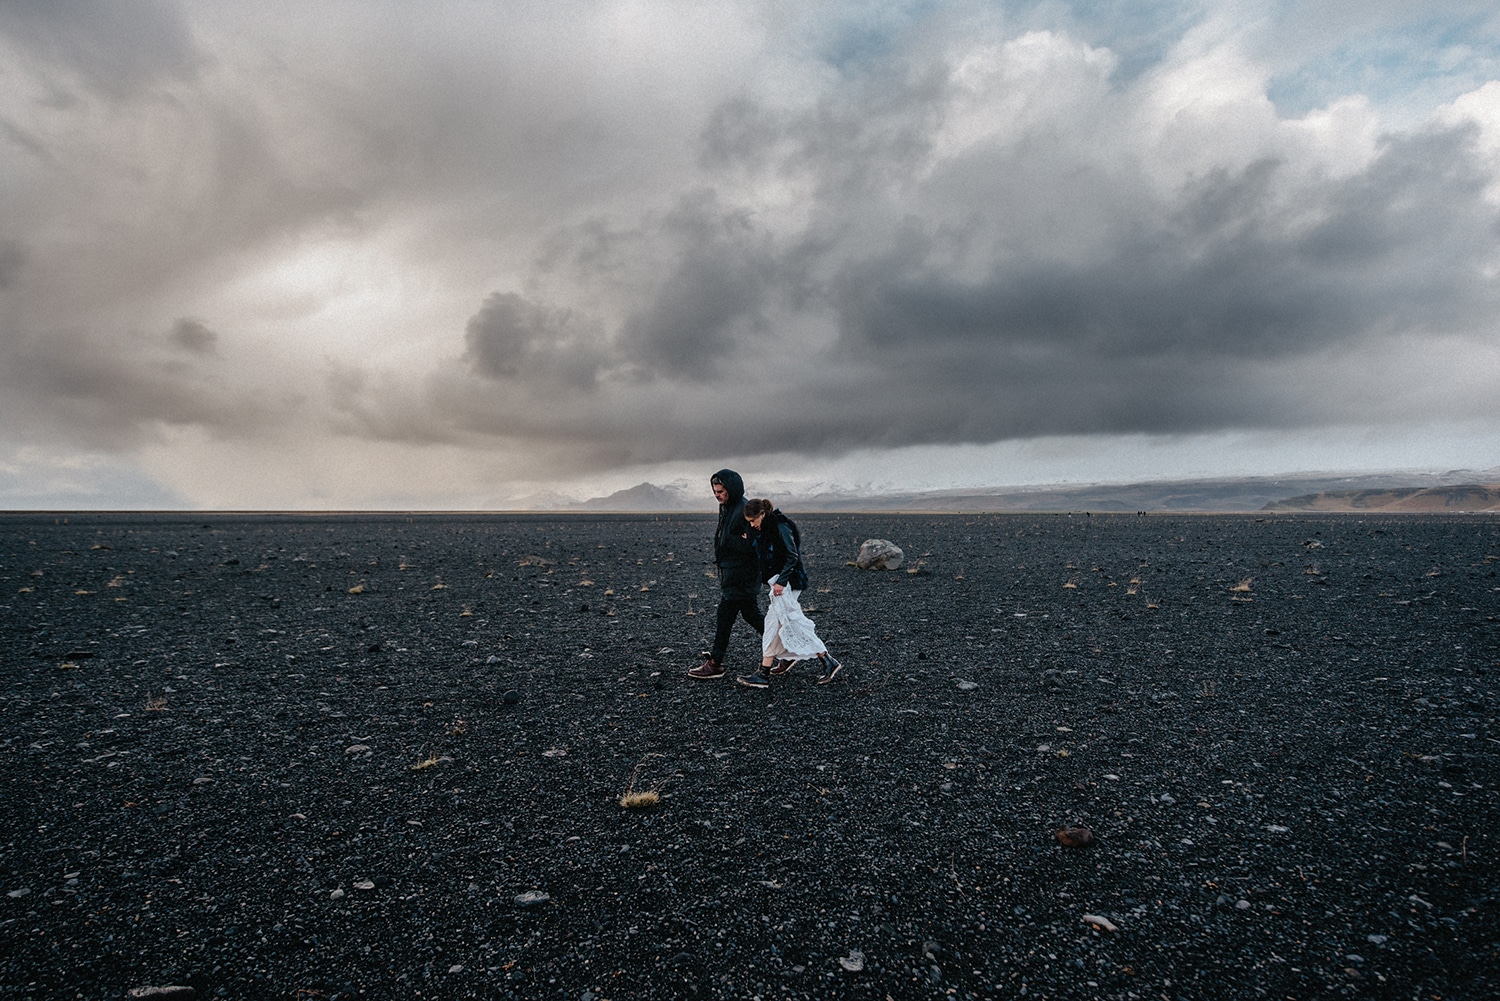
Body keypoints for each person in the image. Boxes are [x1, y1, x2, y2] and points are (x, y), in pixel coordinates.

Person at [735, 498, 841, 688]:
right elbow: (761, 551)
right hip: (778, 582)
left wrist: (782, 582)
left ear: (762, 514)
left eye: (753, 521)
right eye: (749, 522)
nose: (752, 525)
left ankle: (827, 660)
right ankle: (765, 672)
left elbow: (792, 555)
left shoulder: (780, 525)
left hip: (788, 582)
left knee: (792, 621)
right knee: (772, 625)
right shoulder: (764, 529)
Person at [687, 469, 765, 680]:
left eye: (720, 491)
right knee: (751, 615)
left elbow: (754, 543)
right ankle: (784, 650)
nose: (717, 495)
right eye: (714, 491)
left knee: (725, 615)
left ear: (731, 489)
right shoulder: (728, 507)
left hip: (741, 575)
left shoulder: (743, 509)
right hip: (733, 573)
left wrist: (734, 541)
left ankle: (715, 662)